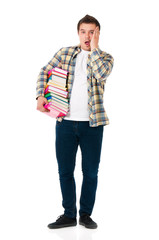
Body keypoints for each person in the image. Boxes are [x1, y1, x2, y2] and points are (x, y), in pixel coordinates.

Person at [36, 14, 114, 229]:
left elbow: (100, 73)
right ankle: (69, 214)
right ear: (77, 33)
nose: (87, 36)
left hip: (93, 125)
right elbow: (45, 71)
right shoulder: (65, 53)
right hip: (65, 124)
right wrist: (40, 95)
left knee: (90, 172)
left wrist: (95, 48)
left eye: (92, 32)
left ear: (98, 33)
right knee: (64, 171)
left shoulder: (105, 58)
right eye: (83, 31)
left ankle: (85, 215)